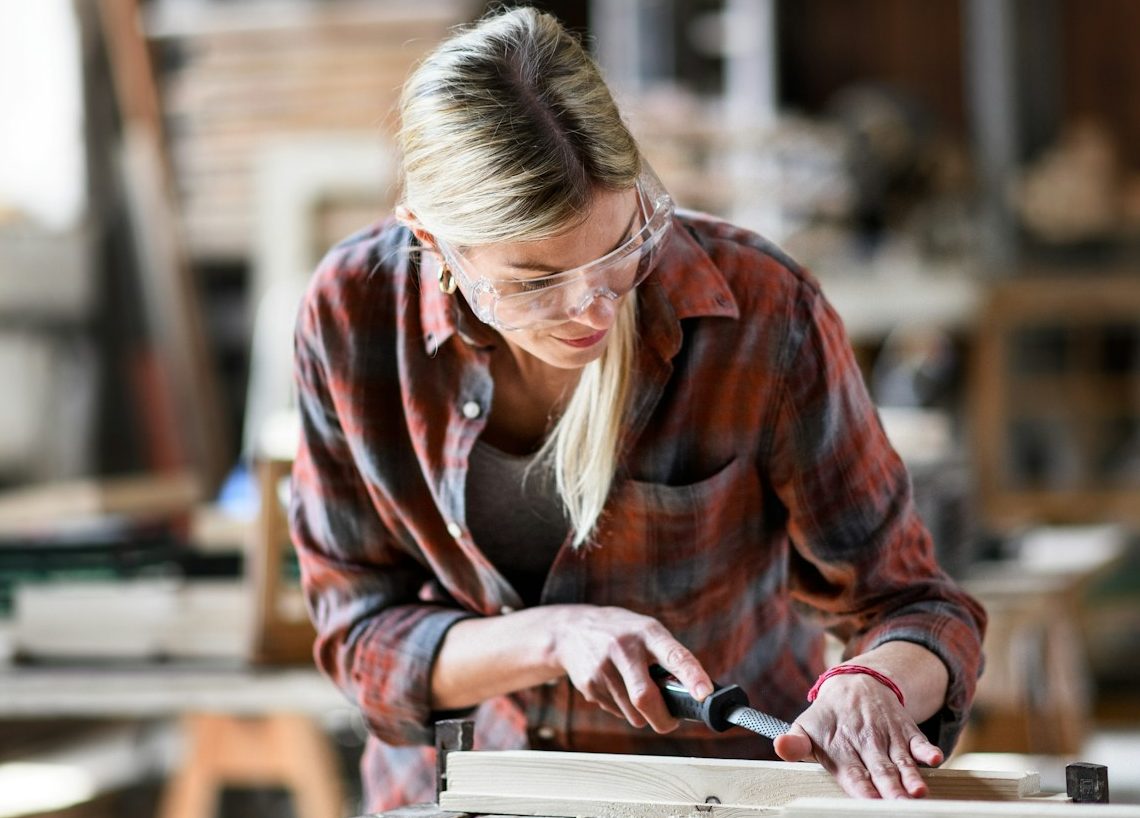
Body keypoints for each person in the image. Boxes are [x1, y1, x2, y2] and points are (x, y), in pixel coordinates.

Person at [289, 6, 987, 811]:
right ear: (433, 240)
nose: (594, 308)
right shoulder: (354, 314)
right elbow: (358, 641)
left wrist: (875, 681)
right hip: (465, 793)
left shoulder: (759, 311)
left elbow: (917, 606)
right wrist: (551, 638)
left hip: (714, 792)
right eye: (536, 281)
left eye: (620, 248)